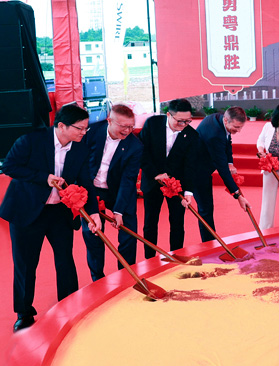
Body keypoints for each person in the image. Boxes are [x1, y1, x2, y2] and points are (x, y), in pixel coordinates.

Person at [0, 104, 94, 332]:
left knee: (65, 259)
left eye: (85, 129)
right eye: (79, 129)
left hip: (59, 212)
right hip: (27, 210)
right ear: (61, 126)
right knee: (25, 263)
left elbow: (85, 180)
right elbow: (10, 166)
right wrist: (44, 178)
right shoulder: (30, 141)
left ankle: (69, 305)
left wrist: (92, 213)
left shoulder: (81, 148)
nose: (83, 133)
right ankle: (23, 313)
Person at [82, 104, 143, 281]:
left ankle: (126, 276)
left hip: (119, 191)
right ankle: (97, 278)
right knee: (93, 234)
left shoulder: (135, 146)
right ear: (109, 120)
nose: (127, 130)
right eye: (123, 126)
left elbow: (128, 179)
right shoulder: (90, 132)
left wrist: (119, 211)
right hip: (92, 189)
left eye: (131, 126)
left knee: (128, 235)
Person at [139, 98, 202, 259]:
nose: (184, 125)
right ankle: (149, 259)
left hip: (176, 185)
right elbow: (142, 152)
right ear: (168, 115)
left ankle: (176, 257)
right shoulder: (152, 124)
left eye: (188, 121)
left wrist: (188, 192)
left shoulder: (192, 135)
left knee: (177, 223)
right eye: (180, 121)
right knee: (150, 223)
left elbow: (191, 166)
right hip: (153, 182)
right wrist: (155, 174)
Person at [194, 106, 251, 242]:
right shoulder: (215, 135)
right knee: (205, 209)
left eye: (241, 127)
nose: (238, 131)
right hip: (196, 171)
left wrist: (230, 162)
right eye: (236, 127)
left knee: (207, 207)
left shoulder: (218, 118)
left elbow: (228, 142)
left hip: (204, 164)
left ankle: (211, 240)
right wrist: (237, 195)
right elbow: (222, 169)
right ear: (226, 120)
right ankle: (209, 244)